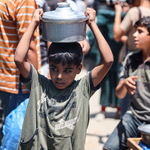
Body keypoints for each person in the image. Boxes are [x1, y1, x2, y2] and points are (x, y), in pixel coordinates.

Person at [14, 7, 113, 149]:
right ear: (49, 65)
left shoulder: (83, 89)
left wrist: (92, 25)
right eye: (54, 69)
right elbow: (19, 59)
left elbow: (108, 61)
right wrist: (34, 24)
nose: (59, 76)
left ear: (79, 69)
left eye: (67, 71)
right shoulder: (39, 85)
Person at [0, 0, 41, 149]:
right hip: (20, 81)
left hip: (5, 75)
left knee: (9, 127)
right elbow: (29, 46)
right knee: (17, 135)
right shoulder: (24, 2)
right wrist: (36, 85)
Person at [103, 16, 150, 150]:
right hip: (134, 117)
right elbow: (119, 94)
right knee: (108, 148)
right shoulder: (131, 58)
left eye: (140, 32)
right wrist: (124, 84)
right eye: (135, 31)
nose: (134, 35)